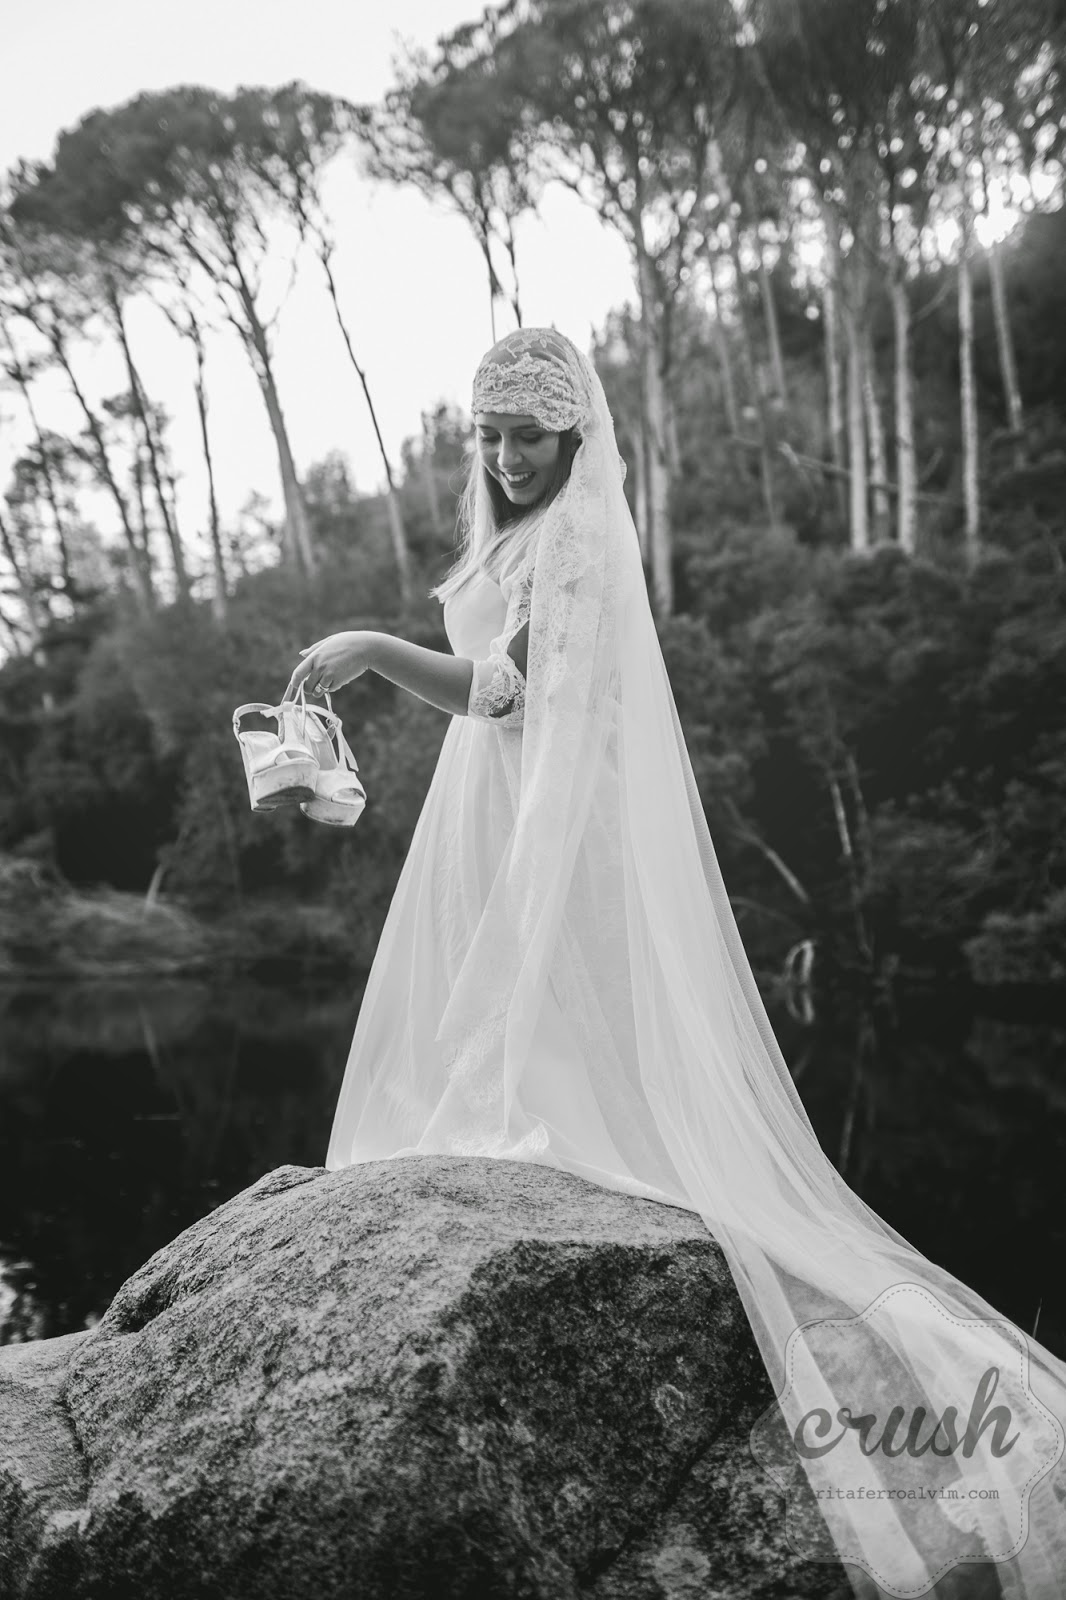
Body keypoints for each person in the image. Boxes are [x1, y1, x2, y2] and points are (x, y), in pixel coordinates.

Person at [285, 328, 1066, 1598]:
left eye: (528, 437)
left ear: (573, 436)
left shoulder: (578, 533)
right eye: (490, 436)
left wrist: (372, 649)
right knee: (492, 1040)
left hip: (551, 806)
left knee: (550, 1037)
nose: (506, 457)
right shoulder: (509, 530)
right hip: (486, 800)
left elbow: (507, 693)